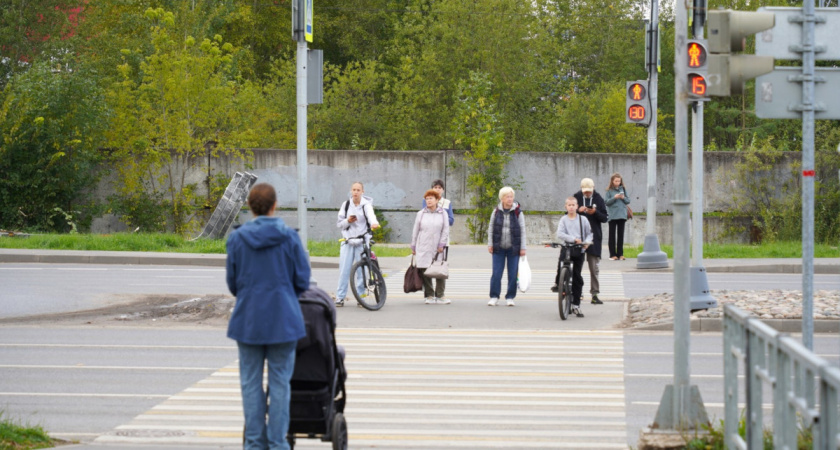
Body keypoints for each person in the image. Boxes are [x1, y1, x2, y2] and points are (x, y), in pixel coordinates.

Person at [225, 183, 311, 450]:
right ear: (274, 206)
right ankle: (277, 444)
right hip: (283, 320)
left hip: (248, 320)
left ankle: (253, 444)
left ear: (250, 207)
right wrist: (284, 294)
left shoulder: (237, 239)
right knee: (280, 384)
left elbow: (233, 284)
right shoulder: (290, 237)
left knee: (250, 383)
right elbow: (303, 280)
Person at [335, 182, 380, 307]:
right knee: (344, 271)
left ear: (362, 192)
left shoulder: (366, 205)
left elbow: (371, 216)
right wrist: (347, 221)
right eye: (354, 190)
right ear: (351, 191)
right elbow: (339, 224)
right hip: (348, 241)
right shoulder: (346, 205)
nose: (355, 192)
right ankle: (340, 297)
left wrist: (374, 223)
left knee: (362, 271)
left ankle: (361, 297)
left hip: (361, 241)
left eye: (358, 190)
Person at [487, 186, 527, 307]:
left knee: (513, 273)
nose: (510, 199)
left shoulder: (518, 212)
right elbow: (490, 229)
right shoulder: (495, 212)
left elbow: (523, 230)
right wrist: (490, 244)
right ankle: (494, 296)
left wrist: (523, 247)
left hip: (513, 248)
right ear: (502, 198)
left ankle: (510, 297)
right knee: (496, 273)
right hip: (498, 247)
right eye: (507, 197)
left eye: (511, 196)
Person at [411, 189, 451, 304]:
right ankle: (429, 295)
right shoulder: (421, 214)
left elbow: (445, 229)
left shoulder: (443, 213)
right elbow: (416, 230)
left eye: (431, 198)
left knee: (439, 270)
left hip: (438, 247)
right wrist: (413, 245)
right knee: (425, 269)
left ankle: (440, 295)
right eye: (427, 199)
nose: (428, 201)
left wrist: (442, 244)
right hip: (423, 245)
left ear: (437, 200)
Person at [555, 196, 593, 318]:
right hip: (567, 248)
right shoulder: (563, 219)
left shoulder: (583, 220)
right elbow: (560, 233)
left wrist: (586, 243)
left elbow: (589, 234)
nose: (571, 207)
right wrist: (573, 239)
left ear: (577, 206)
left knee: (577, 276)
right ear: (566, 207)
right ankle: (559, 284)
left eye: (573, 205)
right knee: (561, 267)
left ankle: (576, 305)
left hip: (579, 250)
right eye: (569, 205)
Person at [574, 178, 608, 305]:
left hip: (594, 237)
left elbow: (605, 218)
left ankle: (594, 294)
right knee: (577, 267)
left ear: (593, 189)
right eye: (585, 192)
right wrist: (578, 211)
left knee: (594, 268)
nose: (587, 194)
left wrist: (595, 212)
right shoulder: (576, 197)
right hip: (578, 237)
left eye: (589, 191)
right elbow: (567, 213)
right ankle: (578, 292)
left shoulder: (598, 199)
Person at [604, 173, 631, 261]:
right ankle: (612, 254)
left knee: (621, 235)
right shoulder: (609, 190)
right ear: (612, 181)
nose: (617, 182)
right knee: (612, 235)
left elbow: (628, 201)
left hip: (622, 215)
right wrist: (614, 198)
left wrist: (623, 197)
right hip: (612, 215)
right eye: (616, 181)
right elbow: (606, 202)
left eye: (619, 181)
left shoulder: (623, 189)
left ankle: (620, 254)